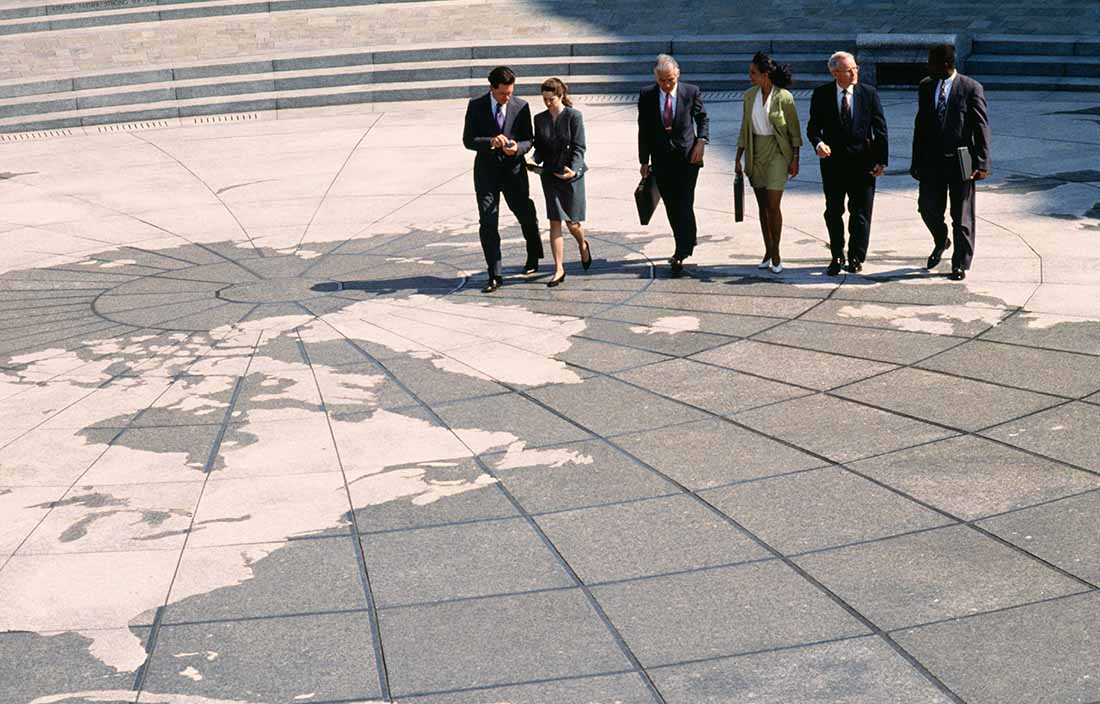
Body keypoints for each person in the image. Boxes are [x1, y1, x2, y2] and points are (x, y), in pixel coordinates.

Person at [910, 43, 991, 281]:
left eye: (931, 63)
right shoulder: (925, 86)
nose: (927, 67)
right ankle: (940, 239)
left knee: (962, 214)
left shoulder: (970, 88)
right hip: (931, 161)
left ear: (946, 65)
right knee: (927, 208)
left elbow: (981, 126)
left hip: (962, 158)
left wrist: (983, 163)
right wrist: (916, 160)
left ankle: (960, 263)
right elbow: (920, 126)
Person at [462, 66, 543, 293]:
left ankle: (533, 252)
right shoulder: (476, 106)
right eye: (502, 94)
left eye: (509, 93)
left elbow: (529, 140)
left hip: (513, 172)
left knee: (524, 213)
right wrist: (490, 141)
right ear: (491, 88)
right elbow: (468, 140)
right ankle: (495, 273)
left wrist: (517, 148)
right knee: (488, 221)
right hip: (486, 173)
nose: (506, 98)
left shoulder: (521, 106)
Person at [806, 51, 888, 275]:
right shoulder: (822, 95)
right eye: (848, 70)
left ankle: (856, 256)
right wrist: (818, 144)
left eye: (855, 68)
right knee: (833, 211)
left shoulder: (868, 94)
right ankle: (836, 254)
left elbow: (880, 129)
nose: (854, 73)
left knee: (860, 213)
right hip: (833, 165)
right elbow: (813, 128)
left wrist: (881, 160)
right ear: (835, 73)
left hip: (863, 164)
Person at [637, 54, 709, 277]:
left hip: (688, 157)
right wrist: (644, 161)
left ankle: (682, 249)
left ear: (678, 74)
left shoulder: (690, 92)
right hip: (661, 158)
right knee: (671, 204)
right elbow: (644, 129)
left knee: (685, 202)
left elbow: (702, 118)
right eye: (662, 81)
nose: (667, 85)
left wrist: (701, 141)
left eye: (670, 80)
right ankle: (686, 239)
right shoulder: (647, 95)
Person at [736, 52, 801, 274]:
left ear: (765, 75)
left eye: (753, 73)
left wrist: (795, 160)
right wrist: (738, 158)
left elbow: (794, 132)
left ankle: (776, 253)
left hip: (777, 152)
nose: (749, 76)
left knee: (773, 205)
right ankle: (767, 250)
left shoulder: (784, 97)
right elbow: (744, 128)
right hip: (756, 152)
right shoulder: (748, 95)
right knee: (762, 206)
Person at [532, 77, 591, 287]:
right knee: (554, 221)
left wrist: (572, 170)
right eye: (545, 99)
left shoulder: (574, 116)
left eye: (551, 100)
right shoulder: (539, 119)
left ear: (561, 96)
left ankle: (582, 244)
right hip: (550, 175)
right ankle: (559, 268)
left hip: (571, 175)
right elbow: (539, 146)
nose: (547, 103)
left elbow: (579, 146)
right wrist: (532, 160)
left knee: (572, 222)